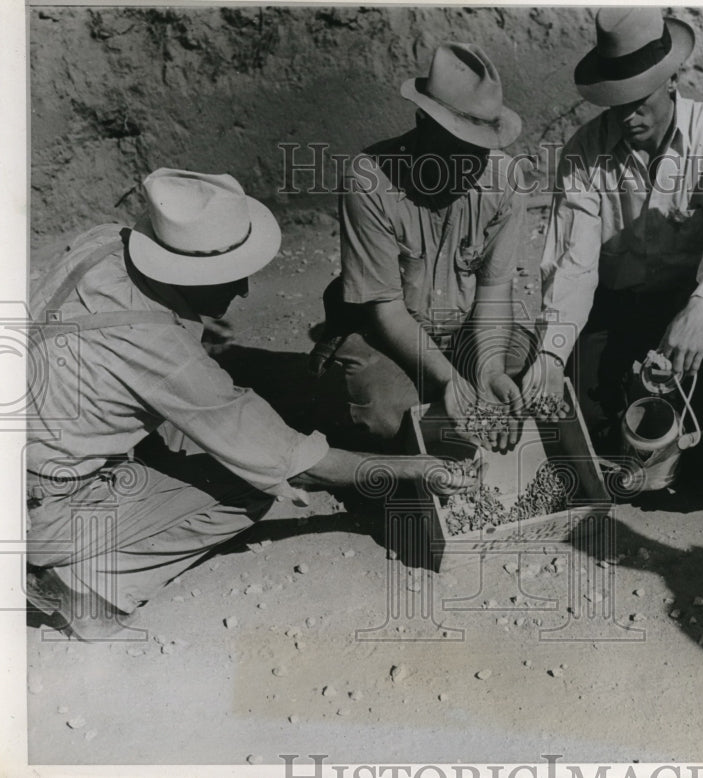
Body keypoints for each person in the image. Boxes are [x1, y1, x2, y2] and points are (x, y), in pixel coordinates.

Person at [25, 168, 476, 641]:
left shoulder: (102, 243)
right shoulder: (166, 353)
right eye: (229, 276)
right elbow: (293, 464)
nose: (242, 291)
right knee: (255, 483)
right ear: (189, 274)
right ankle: (88, 587)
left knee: (185, 432)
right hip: (40, 505)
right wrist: (414, 468)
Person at [521, 7, 703, 453]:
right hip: (614, 307)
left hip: (688, 307)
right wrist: (552, 354)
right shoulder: (584, 152)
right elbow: (573, 263)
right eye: (617, 101)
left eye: (639, 99)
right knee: (595, 430)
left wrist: (700, 309)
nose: (628, 115)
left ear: (671, 80)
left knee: (668, 432)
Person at [309, 42, 528, 453]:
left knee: (524, 369)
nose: (468, 162)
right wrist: (450, 381)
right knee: (384, 408)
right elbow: (386, 309)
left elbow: (495, 292)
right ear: (421, 121)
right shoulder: (369, 179)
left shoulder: (506, 182)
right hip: (383, 332)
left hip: (460, 328)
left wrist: (490, 371)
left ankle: (447, 416)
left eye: (479, 147)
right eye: (455, 144)